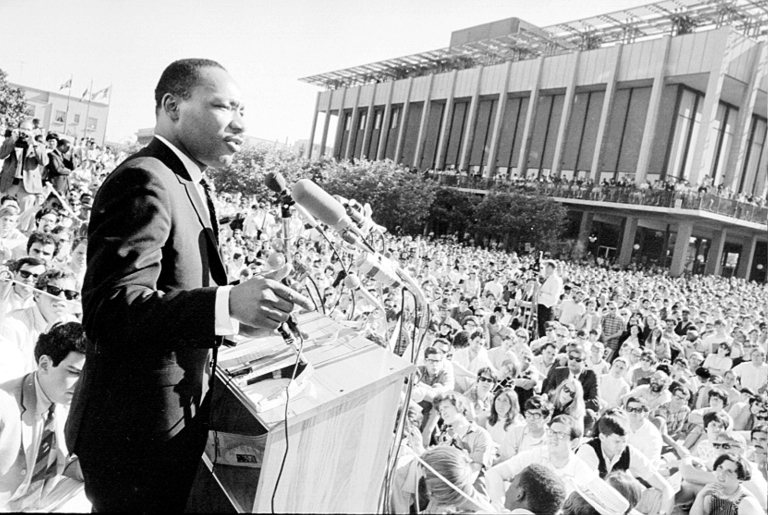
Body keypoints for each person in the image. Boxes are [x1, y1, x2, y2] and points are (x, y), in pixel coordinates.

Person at [64, 59, 313, 512]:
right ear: (172, 106)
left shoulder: (187, 181)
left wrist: (239, 319)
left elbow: (174, 293)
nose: (240, 123)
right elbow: (112, 308)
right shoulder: (146, 178)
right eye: (223, 106)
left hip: (167, 425)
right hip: (134, 436)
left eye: (244, 110)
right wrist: (226, 303)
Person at [0, 322, 86, 511]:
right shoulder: (4, 404)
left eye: (87, 377)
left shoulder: (65, 404)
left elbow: (62, 462)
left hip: (35, 505)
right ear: (45, 364)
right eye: (74, 373)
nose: (82, 386)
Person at [575, 411, 675, 515]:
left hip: (619, 505)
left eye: (624, 441)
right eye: (617, 442)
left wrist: (663, 513)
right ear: (602, 437)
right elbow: (591, 491)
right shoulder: (588, 451)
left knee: (657, 496)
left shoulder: (628, 451)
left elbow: (666, 487)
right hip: (591, 503)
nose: (621, 446)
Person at [486, 415, 595, 503]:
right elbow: (494, 473)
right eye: (551, 432)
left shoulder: (582, 473)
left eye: (561, 434)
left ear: (574, 442)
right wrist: (500, 505)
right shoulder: (536, 454)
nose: (553, 438)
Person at [690, 453, 763, 515]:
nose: (721, 473)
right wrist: (701, 496)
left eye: (729, 471)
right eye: (720, 467)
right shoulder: (712, 492)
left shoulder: (746, 502)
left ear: (740, 479)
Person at [537, 260, 562, 337]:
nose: (543, 269)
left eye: (545, 267)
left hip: (547, 309)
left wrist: (541, 293)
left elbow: (553, 298)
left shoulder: (556, 280)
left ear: (550, 268)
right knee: (539, 331)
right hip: (540, 307)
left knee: (545, 333)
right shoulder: (547, 278)